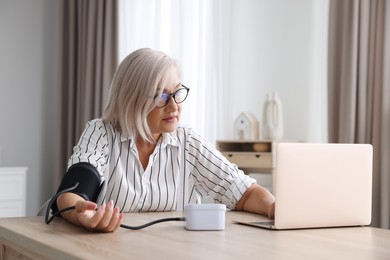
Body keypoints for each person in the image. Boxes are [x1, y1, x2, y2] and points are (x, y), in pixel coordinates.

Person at [53, 48, 275, 232]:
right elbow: (72, 193)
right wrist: (83, 216)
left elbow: (244, 193)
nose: (174, 106)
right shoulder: (101, 132)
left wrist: (274, 207)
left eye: (177, 92)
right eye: (161, 96)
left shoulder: (189, 142)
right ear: (132, 99)